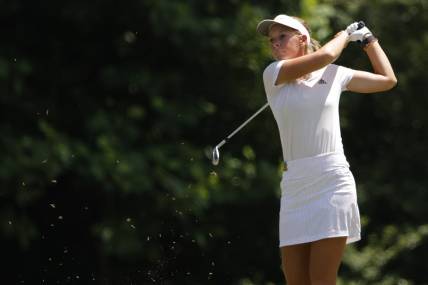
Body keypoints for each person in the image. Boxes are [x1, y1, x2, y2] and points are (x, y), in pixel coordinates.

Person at [256, 15, 397, 285]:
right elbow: (327, 55)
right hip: (295, 186)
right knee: (296, 281)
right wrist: (345, 33)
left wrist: (368, 40)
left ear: (302, 39)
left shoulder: (335, 74)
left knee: (322, 279)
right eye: (272, 40)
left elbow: (387, 79)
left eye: (282, 37)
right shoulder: (273, 74)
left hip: (332, 182)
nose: (275, 44)